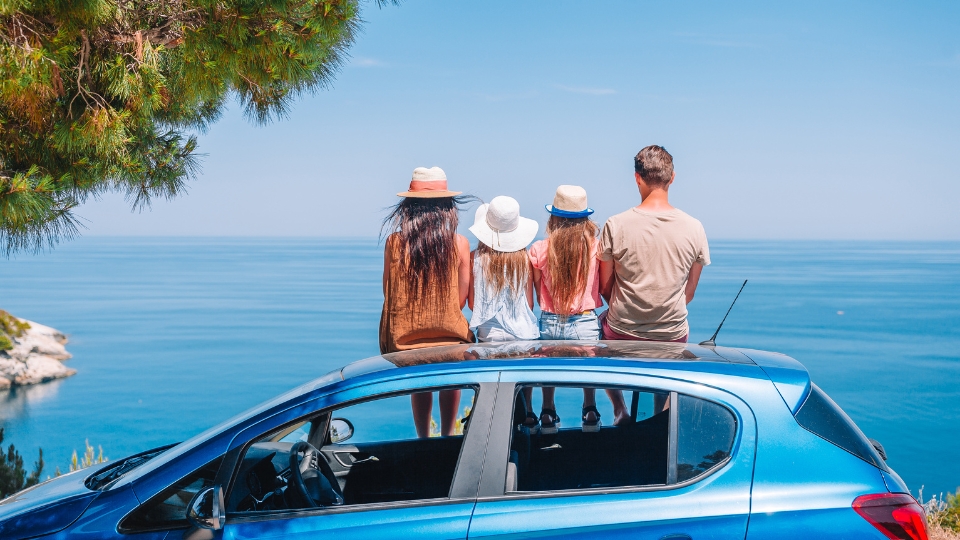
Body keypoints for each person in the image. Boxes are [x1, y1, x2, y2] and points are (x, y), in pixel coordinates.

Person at [598, 145, 710, 411]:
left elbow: (605, 287)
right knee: (670, 360)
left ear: (637, 178)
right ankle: (662, 412)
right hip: (671, 335)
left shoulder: (616, 224)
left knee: (598, 325)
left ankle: (619, 409)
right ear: (672, 178)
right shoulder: (694, 227)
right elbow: (689, 293)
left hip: (623, 332)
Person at [380, 166, 475, 438]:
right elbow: (459, 302)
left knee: (419, 379)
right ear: (447, 206)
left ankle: (423, 439)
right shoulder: (460, 244)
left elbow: (389, 292)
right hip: (450, 340)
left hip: (404, 343)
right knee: (452, 362)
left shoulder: (394, 243)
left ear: (409, 206)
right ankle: (447, 435)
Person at [528, 185, 614, 432]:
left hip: (551, 321)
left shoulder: (539, 249)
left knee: (547, 369)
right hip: (585, 321)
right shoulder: (596, 248)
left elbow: (537, 290)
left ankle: (547, 412)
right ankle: (589, 411)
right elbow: (604, 287)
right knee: (589, 371)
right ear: (586, 218)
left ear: (553, 217)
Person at [467, 196, 540, 343]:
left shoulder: (475, 257)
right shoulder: (525, 259)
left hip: (489, 334)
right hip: (524, 333)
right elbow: (530, 305)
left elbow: (473, 304)